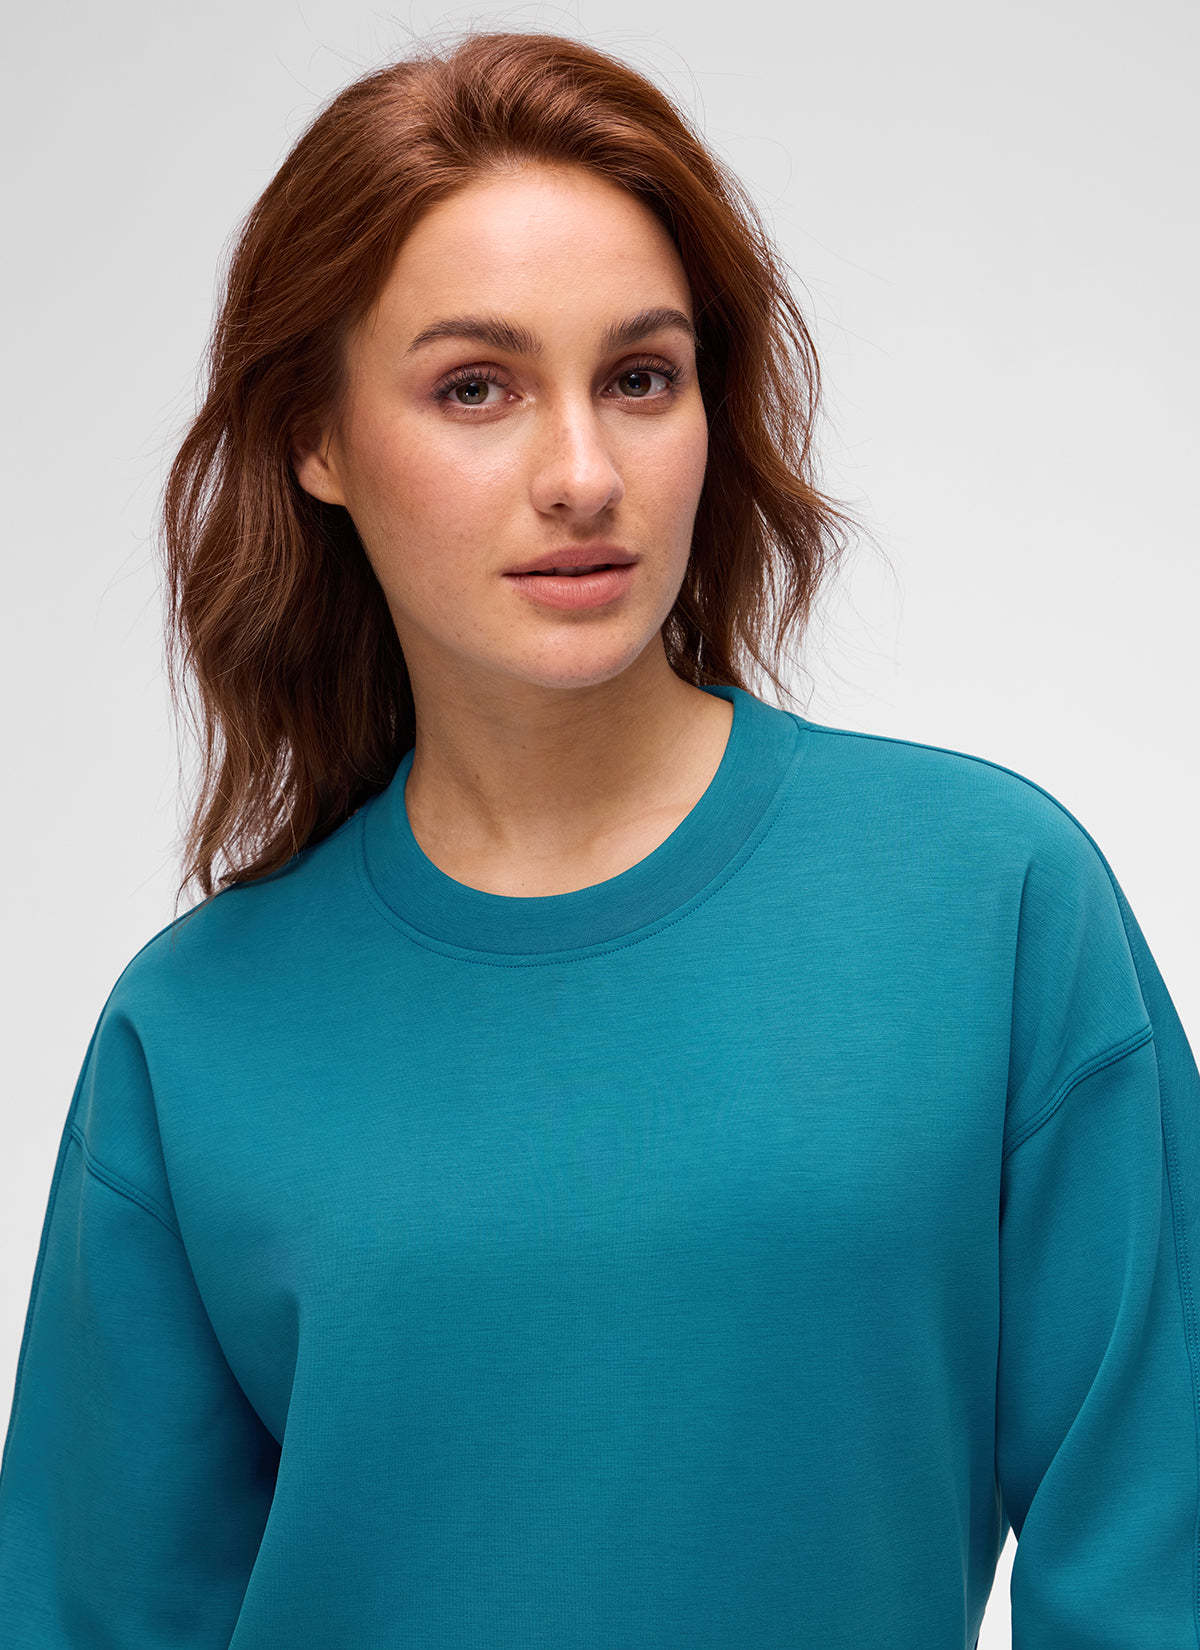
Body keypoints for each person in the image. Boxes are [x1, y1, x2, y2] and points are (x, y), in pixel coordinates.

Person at [0, 28, 1195, 1650]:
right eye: (474, 388)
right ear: (316, 438)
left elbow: (1159, 1561)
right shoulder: (193, 1034)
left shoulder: (992, 906)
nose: (582, 474)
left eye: (641, 378)